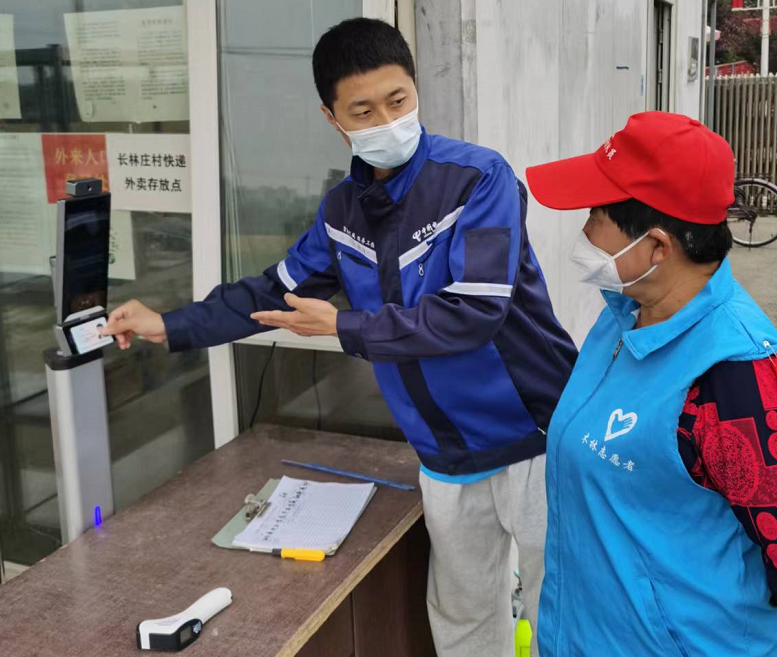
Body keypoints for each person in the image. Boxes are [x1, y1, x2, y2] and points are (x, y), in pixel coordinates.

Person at [101, 17, 576, 657]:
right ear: (332, 117)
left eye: (398, 99)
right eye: (363, 109)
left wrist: (346, 326)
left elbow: (475, 313)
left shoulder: (477, 180)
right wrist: (169, 324)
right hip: (444, 454)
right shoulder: (341, 213)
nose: (386, 119)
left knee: (565, 610)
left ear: (415, 90)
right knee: (462, 616)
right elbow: (275, 291)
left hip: (533, 437)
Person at [526, 111, 777, 657]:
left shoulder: (732, 376)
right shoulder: (625, 314)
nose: (584, 230)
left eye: (597, 215)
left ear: (657, 247)